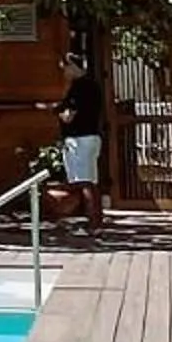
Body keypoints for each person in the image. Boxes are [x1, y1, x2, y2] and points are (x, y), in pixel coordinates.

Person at [55, 50, 107, 230]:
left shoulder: (79, 87)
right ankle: (94, 221)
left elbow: (69, 115)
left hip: (80, 139)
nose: (64, 73)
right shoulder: (93, 85)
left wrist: (59, 114)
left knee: (85, 183)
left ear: (72, 66)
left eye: (65, 68)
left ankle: (94, 223)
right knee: (90, 181)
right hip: (90, 137)